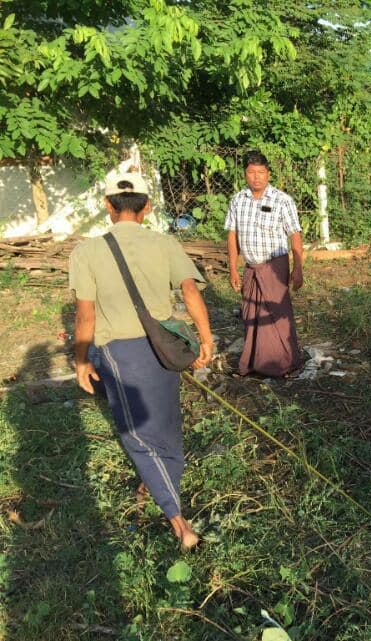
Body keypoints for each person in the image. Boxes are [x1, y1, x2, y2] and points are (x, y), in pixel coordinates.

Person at [69, 172, 214, 549]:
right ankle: (161, 480)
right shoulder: (165, 243)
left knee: (136, 433)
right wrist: (206, 337)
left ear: (107, 207)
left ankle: (179, 521)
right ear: (147, 207)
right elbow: (189, 291)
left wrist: (81, 359)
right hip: (164, 345)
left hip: (121, 350)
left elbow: (86, 316)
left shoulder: (87, 251)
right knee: (165, 421)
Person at [226, 150, 303, 377]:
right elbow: (232, 235)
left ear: (268, 173)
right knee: (251, 315)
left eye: (261, 172)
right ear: (244, 174)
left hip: (275, 266)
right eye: (251, 172)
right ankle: (254, 363)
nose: (256, 177)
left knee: (278, 316)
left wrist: (298, 269)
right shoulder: (238, 200)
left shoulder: (282, 200)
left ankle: (285, 364)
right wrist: (233, 268)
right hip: (250, 267)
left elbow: (295, 235)